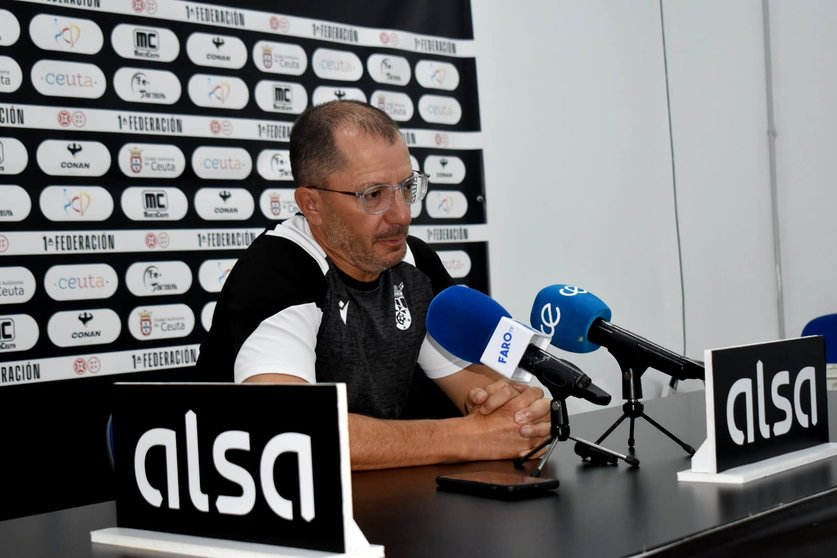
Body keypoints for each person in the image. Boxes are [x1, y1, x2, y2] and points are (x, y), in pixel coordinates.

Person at [196, 100, 550, 469]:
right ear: (312, 204)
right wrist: (472, 438)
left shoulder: (414, 264)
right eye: (374, 195)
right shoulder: (278, 272)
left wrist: (519, 416)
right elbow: (293, 431)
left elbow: (479, 394)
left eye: (407, 187)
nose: (402, 214)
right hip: (245, 507)